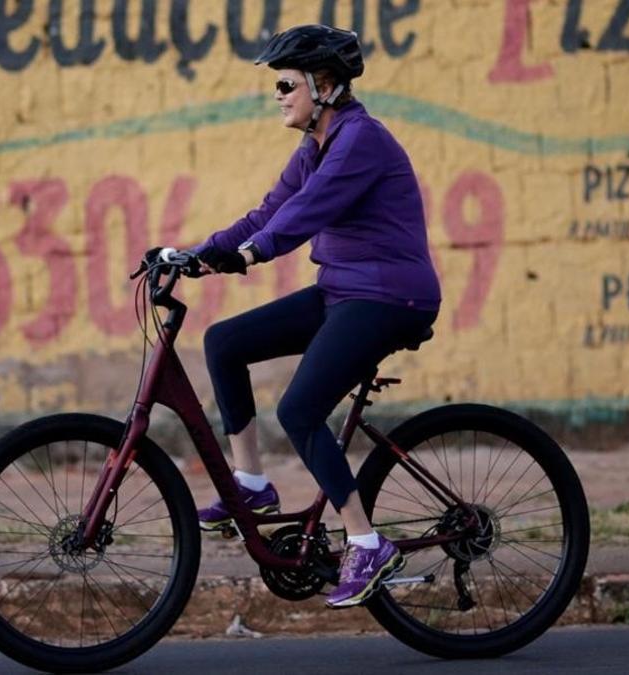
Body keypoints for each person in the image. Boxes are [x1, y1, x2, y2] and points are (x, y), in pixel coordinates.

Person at [174, 24, 442, 608]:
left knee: (298, 409)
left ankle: (367, 541)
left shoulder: (360, 139)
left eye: (286, 82)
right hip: (342, 291)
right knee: (224, 342)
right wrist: (194, 255)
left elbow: (304, 215)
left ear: (324, 84)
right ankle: (251, 483)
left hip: (389, 296)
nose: (278, 93)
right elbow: (269, 211)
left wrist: (249, 255)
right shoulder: (315, 146)